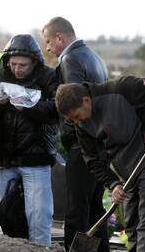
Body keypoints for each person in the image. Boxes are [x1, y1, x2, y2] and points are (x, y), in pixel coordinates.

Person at [55, 76, 145, 252]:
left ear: (86, 100)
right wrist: (113, 184)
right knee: (132, 228)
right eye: (72, 119)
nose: (77, 122)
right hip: (127, 175)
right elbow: (93, 160)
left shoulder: (121, 90)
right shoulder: (81, 124)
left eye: (77, 116)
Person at [42, 16, 109, 251]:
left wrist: (69, 138)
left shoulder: (70, 59)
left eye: (49, 42)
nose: (48, 48)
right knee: (94, 207)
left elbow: (72, 102)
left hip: (82, 143)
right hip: (101, 141)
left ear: (60, 37)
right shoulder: (93, 56)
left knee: (77, 209)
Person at [0, 34, 58, 247]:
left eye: (23, 65)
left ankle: (40, 249)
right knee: (8, 214)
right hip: (5, 156)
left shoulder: (48, 77)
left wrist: (30, 107)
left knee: (39, 215)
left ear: (34, 62)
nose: (18, 69)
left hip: (36, 157)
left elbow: (57, 110)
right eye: (14, 63)